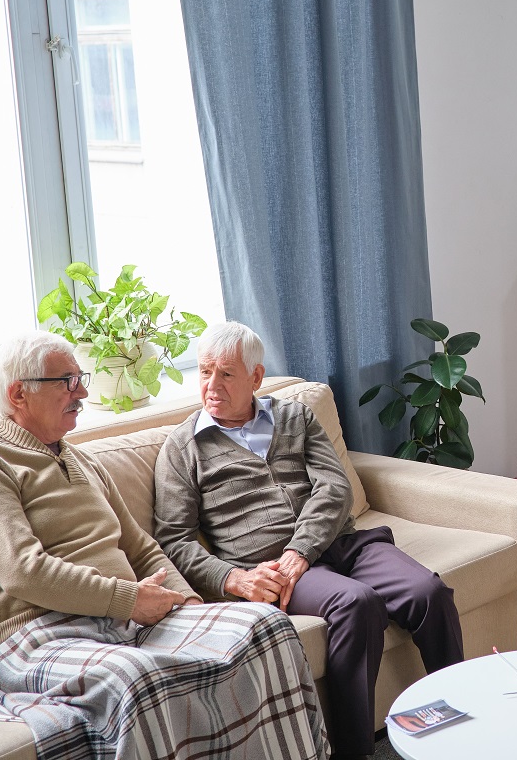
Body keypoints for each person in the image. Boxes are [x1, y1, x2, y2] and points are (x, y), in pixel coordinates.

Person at [0, 332, 328, 759]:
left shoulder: (78, 458)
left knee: (264, 627)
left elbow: (140, 547)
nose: (83, 391)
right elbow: (22, 571)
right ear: (19, 393)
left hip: (125, 623)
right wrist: (128, 600)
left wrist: (191, 604)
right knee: (139, 679)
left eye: (80, 378)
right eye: (68, 381)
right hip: (39, 636)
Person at [154, 321, 464, 760]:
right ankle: (355, 752)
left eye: (226, 373)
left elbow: (335, 488)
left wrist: (302, 547)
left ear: (256, 378)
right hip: (275, 569)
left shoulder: (294, 417)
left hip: (344, 545)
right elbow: (174, 539)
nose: (212, 385)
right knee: (357, 604)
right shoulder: (184, 446)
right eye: (205, 371)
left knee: (429, 592)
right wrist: (234, 579)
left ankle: (462, 717)